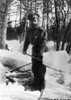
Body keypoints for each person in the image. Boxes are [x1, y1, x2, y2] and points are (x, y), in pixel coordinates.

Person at [23, 13, 47, 91]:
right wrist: (24, 49)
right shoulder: (29, 31)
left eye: (35, 20)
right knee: (34, 68)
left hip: (42, 51)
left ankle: (40, 85)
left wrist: (39, 54)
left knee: (41, 69)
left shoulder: (42, 31)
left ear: (37, 20)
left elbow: (43, 44)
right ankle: (36, 83)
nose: (33, 22)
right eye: (31, 21)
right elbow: (26, 41)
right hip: (34, 50)